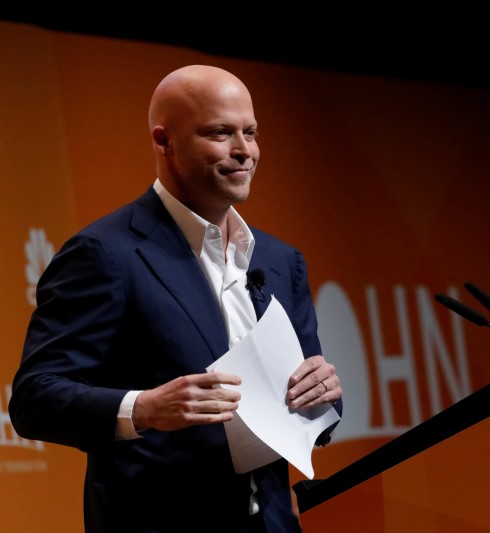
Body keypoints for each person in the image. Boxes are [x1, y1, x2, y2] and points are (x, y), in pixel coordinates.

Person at [9, 64, 343, 532]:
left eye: (250, 132)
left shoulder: (281, 260)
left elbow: (313, 407)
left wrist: (322, 397)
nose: (244, 150)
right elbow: (33, 399)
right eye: (220, 133)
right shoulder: (106, 254)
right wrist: (143, 409)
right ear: (164, 141)